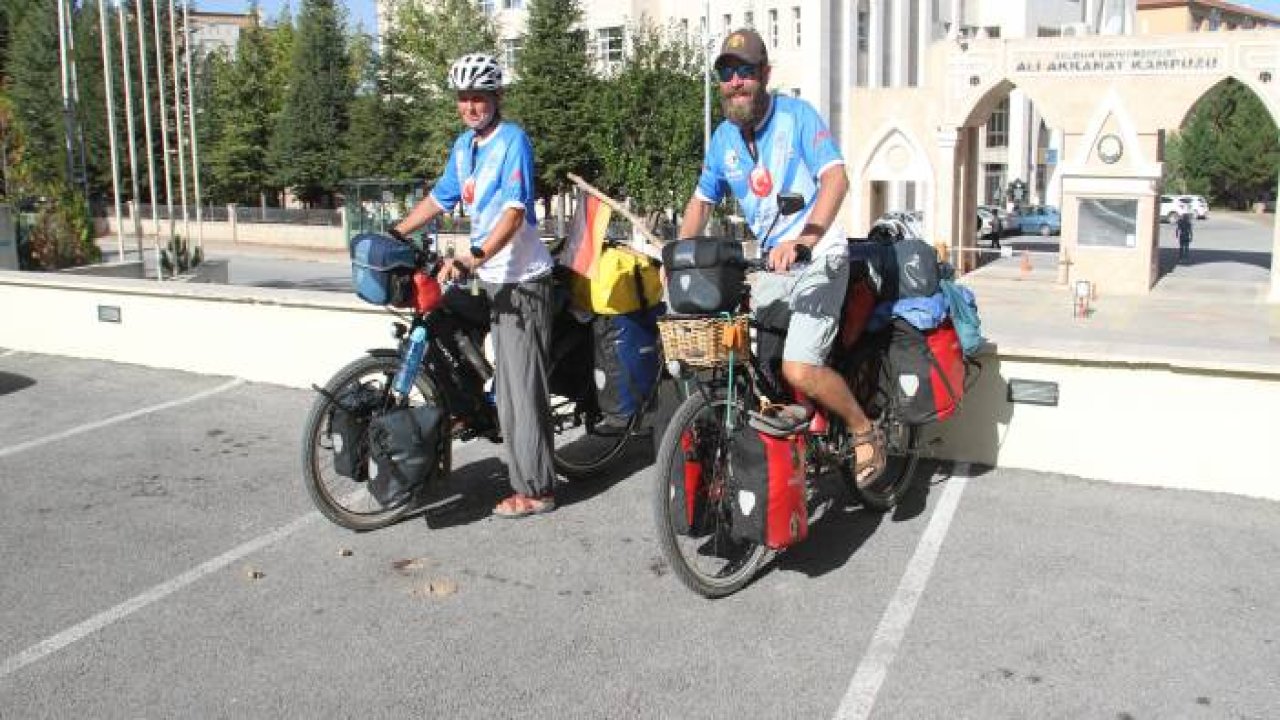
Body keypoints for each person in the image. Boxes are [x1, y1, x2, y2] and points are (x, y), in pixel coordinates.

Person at [676, 28, 885, 487]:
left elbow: (835, 179)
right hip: (774, 263)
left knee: (798, 367)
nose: (735, 82)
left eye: (745, 71)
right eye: (726, 73)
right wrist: (676, 256)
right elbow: (701, 203)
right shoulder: (723, 140)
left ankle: (863, 429)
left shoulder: (797, 117)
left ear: (765, 74)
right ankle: (797, 446)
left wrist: (806, 239)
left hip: (819, 255)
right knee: (758, 365)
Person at [393, 53, 558, 518]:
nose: (470, 106)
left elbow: (514, 211)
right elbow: (440, 198)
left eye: (479, 98)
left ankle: (537, 489)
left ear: (497, 97)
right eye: (463, 98)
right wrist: (397, 232)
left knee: (520, 390)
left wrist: (473, 255)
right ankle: (470, 408)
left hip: (520, 280)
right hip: (488, 277)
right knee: (445, 318)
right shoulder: (465, 147)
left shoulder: (512, 141)